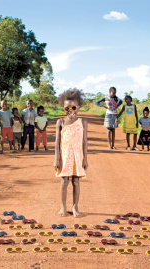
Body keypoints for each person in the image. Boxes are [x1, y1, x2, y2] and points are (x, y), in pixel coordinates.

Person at [54, 89, 88, 217]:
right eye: (67, 108)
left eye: (73, 107)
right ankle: (63, 207)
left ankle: (75, 207)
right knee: (64, 181)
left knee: (76, 181)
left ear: (78, 107)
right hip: (65, 156)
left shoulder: (83, 122)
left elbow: (85, 142)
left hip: (77, 156)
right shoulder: (60, 122)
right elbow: (57, 143)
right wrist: (57, 159)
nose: (71, 110)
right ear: (63, 108)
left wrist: (85, 159)